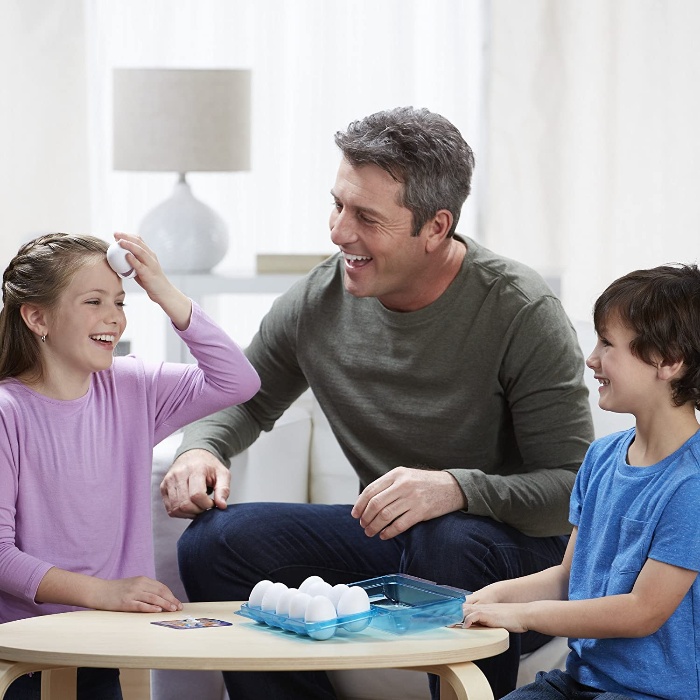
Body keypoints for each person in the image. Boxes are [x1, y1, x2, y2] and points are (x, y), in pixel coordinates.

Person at [161, 106, 594, 699]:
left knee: (449, 536)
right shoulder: (319, 299)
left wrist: (457, 488)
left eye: (366, 217)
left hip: (514, 557)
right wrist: (200, 447)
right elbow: (241, 397)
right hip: (393, 538)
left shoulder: (518, 310)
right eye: (337, 204)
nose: (339, 232)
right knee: (215, 542)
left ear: (436, 227)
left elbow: (574, 492)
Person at [0, 232, 260, 700]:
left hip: (102, 643)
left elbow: (238, 381)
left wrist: (161, 288)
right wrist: (105, 592)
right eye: (94, 301)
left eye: (120, 302)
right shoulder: (7, 413)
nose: (113, 318)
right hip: (25, 653)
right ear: (37, 317)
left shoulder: (132, 386)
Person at [462, 264, 700, 700]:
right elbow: (569, 577)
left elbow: (642, 612)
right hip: (578, 683)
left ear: (668, 361)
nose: (591, 359)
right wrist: (494, 597)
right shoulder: (601, 457)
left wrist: (527, 616)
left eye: (608, 344)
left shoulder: (692, 485)